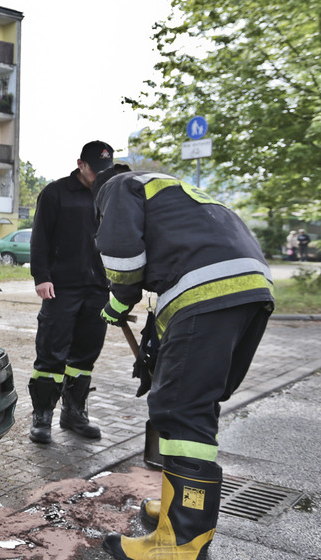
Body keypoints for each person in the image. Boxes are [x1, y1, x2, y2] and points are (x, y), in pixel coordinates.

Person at [88, 161, 274, 560]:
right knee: (196, 404)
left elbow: (121, 253)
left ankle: (180, 541)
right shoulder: (180, 195)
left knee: (182, 411)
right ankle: (179, 512)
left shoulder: (119, 186)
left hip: (207, 293)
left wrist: (118, 303)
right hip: (251, 291)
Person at [25, 140, 112, 444]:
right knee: (51, 354)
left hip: (98, 288)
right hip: (60, 288)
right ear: (80, 164)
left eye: (105, 170)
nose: (98, 175)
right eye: (94, 170)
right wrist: (42, 276)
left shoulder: (109, 194)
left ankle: (74, 414)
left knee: (85, 356)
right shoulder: (56, 193)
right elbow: (40, 238)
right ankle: (42, 417)